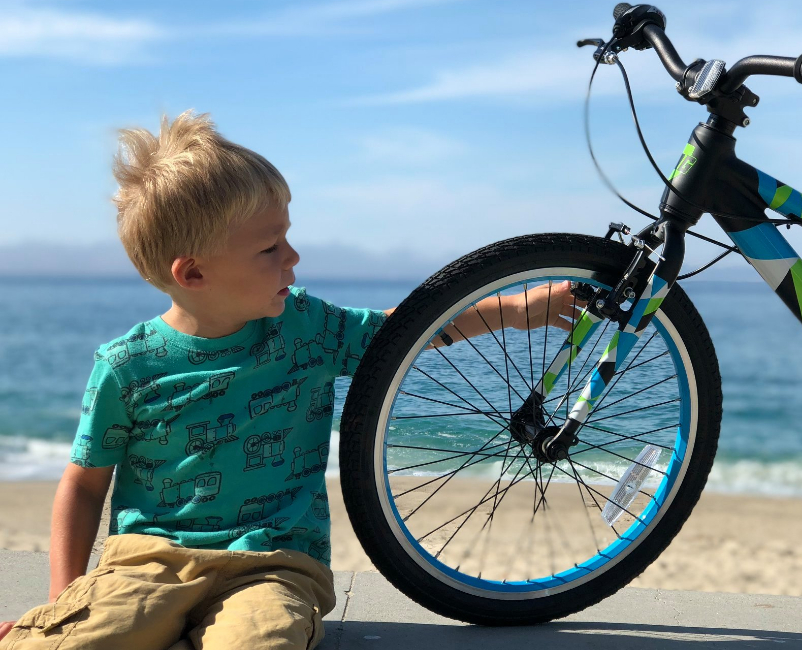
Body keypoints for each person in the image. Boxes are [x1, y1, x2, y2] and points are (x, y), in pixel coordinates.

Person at [0, 110, 580, 649]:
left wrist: (517, 308)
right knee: (83, 637)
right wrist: (66, 596)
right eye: (270, 247)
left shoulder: (306, 328)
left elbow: (403, 330)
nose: (293, 256)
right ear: (194, 272)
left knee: (263, 640)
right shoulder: (128, 365)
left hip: (272, 562)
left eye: (288, 236)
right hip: (147, 561)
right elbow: (82, 485)